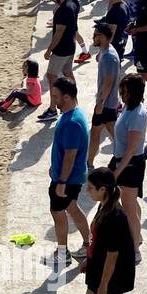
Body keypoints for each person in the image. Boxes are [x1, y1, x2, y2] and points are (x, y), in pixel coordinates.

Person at [50, 170, 140, 294]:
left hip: (108, 277)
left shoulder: (113, 217)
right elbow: (100, 244)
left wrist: (103, 285)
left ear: (103, 189)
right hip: (111, 273)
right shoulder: (106, 207)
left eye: (91, 188)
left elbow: (112, 255)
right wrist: (89, 262)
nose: (87, 191)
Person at [45, 77, 90, 272]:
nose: (53, 100)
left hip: (67, 179)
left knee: (57, 212)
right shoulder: (74, 113)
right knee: (72, 207)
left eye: (56, 96)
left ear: (67, 96)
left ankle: (63, 254)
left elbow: (70, 156)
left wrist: (61, 181)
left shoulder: (72, 122)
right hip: (72, 177)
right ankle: (89, 245)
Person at [109, 74, 147, 257]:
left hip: (130, 165)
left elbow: (131, 149)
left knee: (128, 207)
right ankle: (138, 236)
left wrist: (118, 171)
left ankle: (134, 248)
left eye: (125, 91)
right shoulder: (128, 108)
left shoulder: (137, 115)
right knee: (131, 203)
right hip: (123, 161)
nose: (122, 94)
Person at [38, 0, 79, 122]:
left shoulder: (63, 9)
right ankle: (75, 101)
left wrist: (49, 50)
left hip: (61, 49)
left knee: (51, 76)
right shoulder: (72, 4)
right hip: (70, 47)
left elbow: (59, 32)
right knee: (68, 73)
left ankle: (52, 109)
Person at [88, 22, 121, 168]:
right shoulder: (107, 51)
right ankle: (124, 157)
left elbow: (108, 83)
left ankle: (89, 163)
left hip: (106, 103)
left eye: (96, 35)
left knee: (96, 133)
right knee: (112, 133)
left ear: (104, 37)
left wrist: (100, 103)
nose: (93, 37)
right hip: (110, 102)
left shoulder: (109, 56)